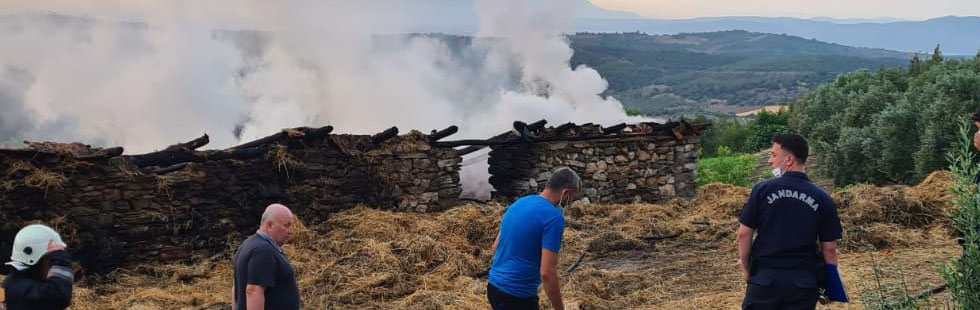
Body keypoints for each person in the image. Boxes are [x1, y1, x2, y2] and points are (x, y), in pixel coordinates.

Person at [737, 133, 843, 310]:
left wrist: (747, 270)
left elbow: (743, 233)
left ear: (789, 159)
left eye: (773, 155)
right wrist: (831, 286)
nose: (770, 161)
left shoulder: (762, 190)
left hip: (764, 281)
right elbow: (830, 249)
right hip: (803, 284)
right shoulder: (823, 198)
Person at [488, 167, 580, 310]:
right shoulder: (554, 218)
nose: (570, 205)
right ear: (565, 193)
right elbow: (547, 273)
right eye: (572, 199)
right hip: (517, 297)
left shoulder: (519, 203)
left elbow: (495, 247)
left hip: (493, 288)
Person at [232, 204, 300, 310]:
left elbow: (236, 289)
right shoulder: (263, 251)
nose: (291, 231)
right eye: (286, 225)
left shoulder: (248, 245)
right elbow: (253, 291)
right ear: (270, 226)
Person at [1, 224, 74, 310]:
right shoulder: (20, 289)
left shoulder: (18, 282)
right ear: (38, 259)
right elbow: (59, 296)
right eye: (51, 260)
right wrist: (61, 260)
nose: (52, 267)